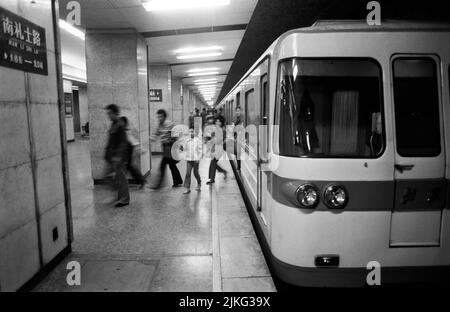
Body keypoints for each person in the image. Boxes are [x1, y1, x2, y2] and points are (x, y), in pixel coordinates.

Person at [104, 104, 130, 207]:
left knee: (122, 178)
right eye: (108, 113)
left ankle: (124, 199)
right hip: (112, 156)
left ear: (115, 113)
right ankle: (120, 197)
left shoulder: (120, 125)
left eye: (110, 113)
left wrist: (118, 156)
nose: (108, 116)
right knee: (114, 178)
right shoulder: (114, 124)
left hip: (118, 158)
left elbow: (123, 143)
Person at [150, 109, 183, 188]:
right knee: (172, 165)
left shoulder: (169, 124)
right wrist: (151, 138)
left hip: (170, 147)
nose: (159, 118)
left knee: (163, 165)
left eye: (160, 116)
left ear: (164, 117)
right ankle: (178, 181)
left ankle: (158, 184)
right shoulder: (159, 125)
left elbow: (177, 133)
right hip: (165, 147)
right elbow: (156, 133)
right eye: (158, 117)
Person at [120, 116, 146, 189]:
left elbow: (133, 141)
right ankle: (140, 180)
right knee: (128, 166)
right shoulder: (123, 130)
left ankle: (141, 181)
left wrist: (140, 149)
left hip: (128, 150)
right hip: (125, 150)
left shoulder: (125, 131)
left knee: (129, 166)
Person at [206, 115, 228, 185]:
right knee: (214, 163)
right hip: (215, 148)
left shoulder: (222, 130)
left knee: (213, 163)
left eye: (219, 121)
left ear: (221, 123)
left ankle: (212, 179)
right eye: (216, 121)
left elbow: (219, 140)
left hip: (218, 149)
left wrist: (213, 138)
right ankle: (223, 171)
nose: (217, 122)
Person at [181, 128, 203, 194]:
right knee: (188, 173)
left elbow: (200, 150)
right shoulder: (187, 140)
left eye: (192, 132)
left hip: (195, 159)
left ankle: (199, 183)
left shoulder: (198, 140)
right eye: (190, 132)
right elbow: (184, 148)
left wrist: (198, 159)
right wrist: (181, 148)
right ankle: (187, 188)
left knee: (195, 173)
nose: (191, 133)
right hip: (189, 160)